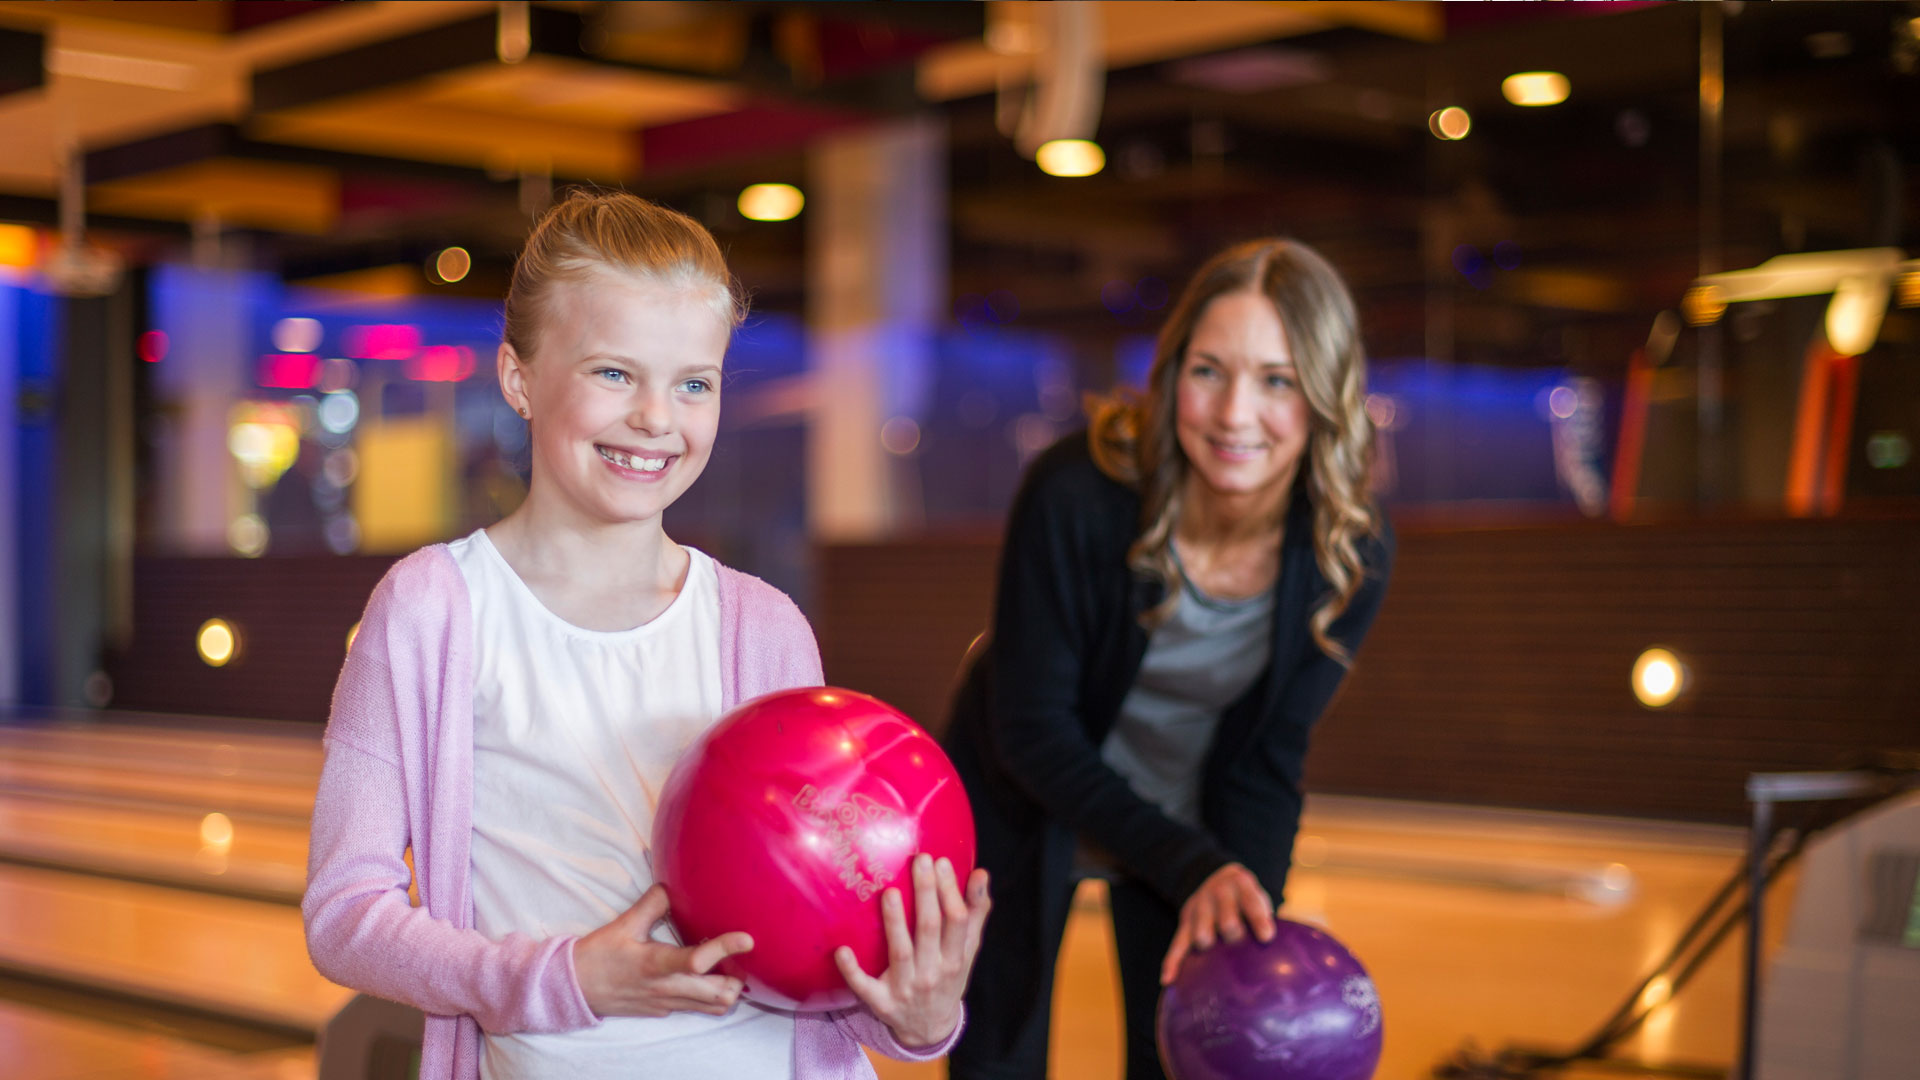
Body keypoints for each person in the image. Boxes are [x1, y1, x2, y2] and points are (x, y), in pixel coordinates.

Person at [304, 190, 990, 1080]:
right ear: (519, 378)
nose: (657, 419)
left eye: (692, 384)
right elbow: (346, 915)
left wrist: (919, 1012)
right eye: (614, 374)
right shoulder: (434, 609)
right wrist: (563, 977)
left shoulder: (760, 625)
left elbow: (824, 937)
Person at [943, 239, 1394, 1080]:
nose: (1233, 414)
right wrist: (1195, 863)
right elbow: (1032, 727)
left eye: (1277, 380)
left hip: (1180, 815)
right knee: (1001, 1050)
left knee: (1182, 1050)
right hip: (1023, 787)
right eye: (1208, 370)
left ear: (1325, 396)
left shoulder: (1348, 555)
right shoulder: (1076, 491)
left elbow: (1268, 756)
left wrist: (1243, 898)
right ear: (1170, 370)